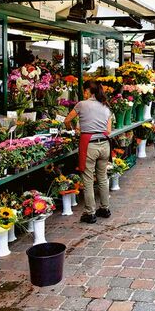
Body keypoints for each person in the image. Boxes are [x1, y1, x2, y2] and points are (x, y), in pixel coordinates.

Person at [64, 80, 112, 224]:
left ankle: (90, 213)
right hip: (104, 145)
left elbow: (67, 120)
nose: (83, 94)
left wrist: (73, 129)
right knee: (103, 177)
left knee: (88, 179)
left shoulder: (81, 105)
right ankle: (105, 208)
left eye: (84, 91)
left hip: (89, 145)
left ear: (88, 91)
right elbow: (108, 130)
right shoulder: (106, 107)